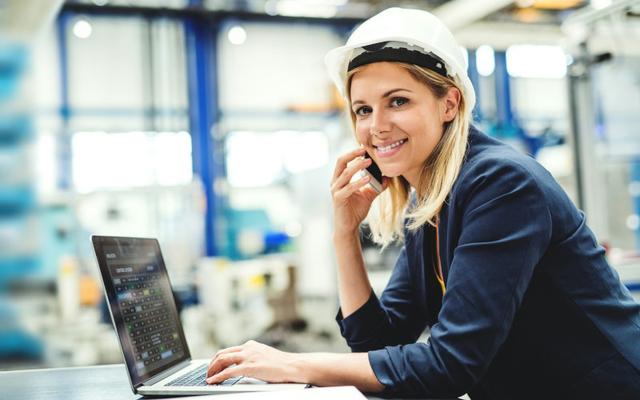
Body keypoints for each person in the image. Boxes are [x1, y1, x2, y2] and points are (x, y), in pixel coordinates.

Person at [205, 7, 640, 399]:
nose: (377, 126)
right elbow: (378, 346)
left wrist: (295, 364)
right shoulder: (431, 200)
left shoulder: (502, 185)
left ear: (449, 103)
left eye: (398, 101)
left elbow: (450, 365)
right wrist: (344, 235)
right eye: (362, 109)